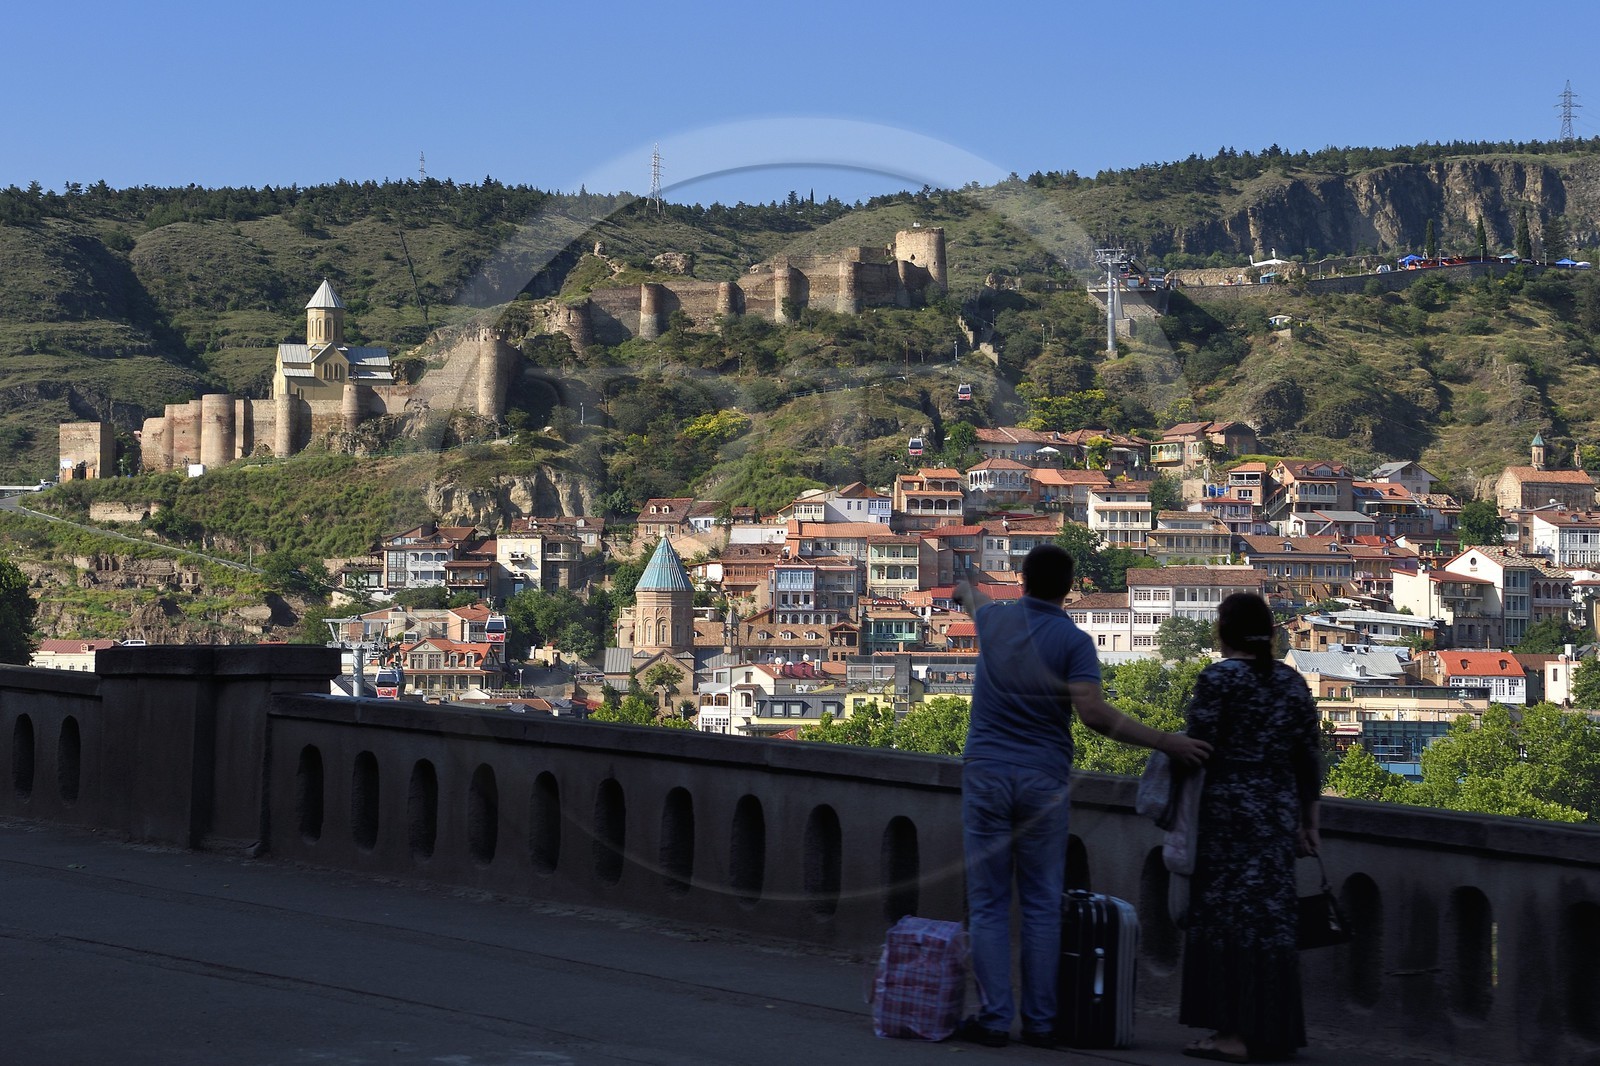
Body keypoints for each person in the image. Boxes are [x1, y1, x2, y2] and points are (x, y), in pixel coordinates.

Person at [954, 545, 1211, 1049]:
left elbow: (976, 602)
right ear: (1069, 588)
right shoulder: (1074, 642)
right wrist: (1165, 741)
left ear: (1023, 580)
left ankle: (992, 1019)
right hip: (1043, 781)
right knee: (1042, 902)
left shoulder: (996, 622)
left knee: (987, 904)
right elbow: (1094, 715)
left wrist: (967, 591)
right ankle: (1042, 1022)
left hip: (985, 773)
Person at [1179, 592, 1322, 1064]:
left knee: (1226, 923)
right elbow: (1308, 762)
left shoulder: (1218, 680)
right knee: (1272, 924)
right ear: (1271, 635)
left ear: (1223, 634)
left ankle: (1231, 1034)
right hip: (1276, 815)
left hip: (1227, 817)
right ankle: (1273, 1031)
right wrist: (1308, 824)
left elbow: (1198, 746)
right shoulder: (1291, 683)